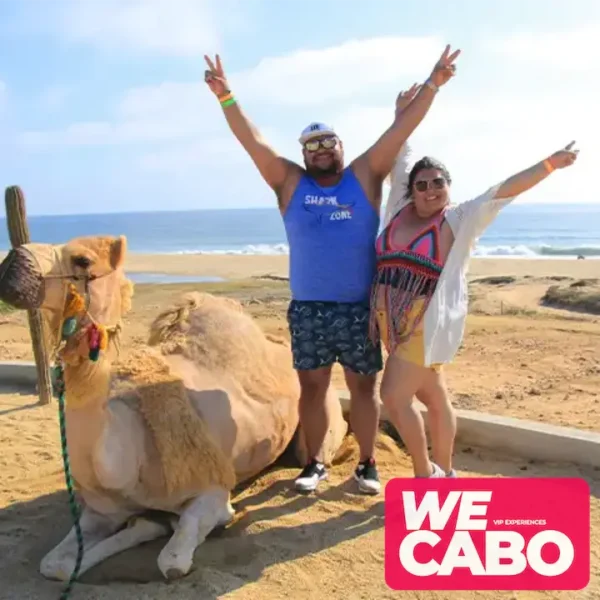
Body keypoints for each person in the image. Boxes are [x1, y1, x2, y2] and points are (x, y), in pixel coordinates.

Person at [203, 44, 461, 494]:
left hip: (359, 308)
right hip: (308, 310)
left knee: (364, 389)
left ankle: (366, 464)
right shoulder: (288, 182)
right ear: (302, 153)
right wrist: (226, 97)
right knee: (313, 389)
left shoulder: (363, 175)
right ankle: (315, 464)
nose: (320, 150)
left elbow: (399, 131)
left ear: (341, 147)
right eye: (310, 145)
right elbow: (252, 141)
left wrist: (433, 85)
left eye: (328, 142)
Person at [370, 142, 580, 479]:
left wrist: (550, 164)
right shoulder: (398, 206)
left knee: (393, 397)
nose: (430, 190)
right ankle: (448, 471)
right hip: (391, 324)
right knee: (433, 396)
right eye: (422, 184)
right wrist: (402, 116)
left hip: (427, 326)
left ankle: (426, 474)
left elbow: (503, 191)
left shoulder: (459, 218)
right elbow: (402, 159)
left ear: (449, 186)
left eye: (439, 182)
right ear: (412, 190)